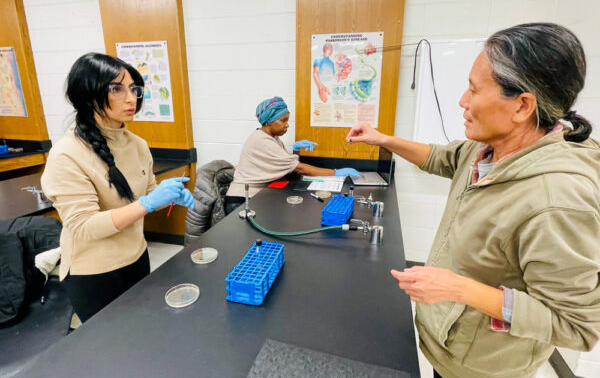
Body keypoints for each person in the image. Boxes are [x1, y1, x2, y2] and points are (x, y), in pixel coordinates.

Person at [347, 23, 600, 378]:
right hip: (449, 347)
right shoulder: (491, 150)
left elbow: (576, 324)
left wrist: (458, 288)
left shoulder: (557, 201)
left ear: (522, 105)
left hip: (483, 368)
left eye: (474, 89)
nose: (462, 101)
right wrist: (383, 139)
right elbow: (442, 157)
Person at [41, 53, 194, 323]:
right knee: (110, 350)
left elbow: (145, 195)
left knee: (141, 330)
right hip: (94, 272)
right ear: (88, 94)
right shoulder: (67, 153)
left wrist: (164, 197)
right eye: (116, 89)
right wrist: (147, 204)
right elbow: (83, 226)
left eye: (134, 89)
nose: (131, 97)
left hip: (136, 256)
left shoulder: (137, 144)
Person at [225, 96, 359, 213]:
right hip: (241, 200)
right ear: (269, 120)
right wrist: (336, 172)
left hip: (253, 195)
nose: (287, 125)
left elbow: (286, 165)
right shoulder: (262, 140)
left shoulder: (271, 138)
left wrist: (295, 151)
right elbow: (299, 168)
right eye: (283, 120)